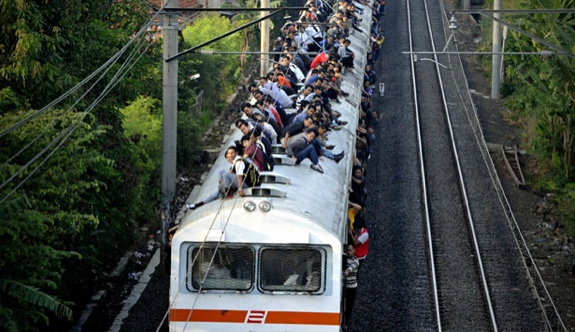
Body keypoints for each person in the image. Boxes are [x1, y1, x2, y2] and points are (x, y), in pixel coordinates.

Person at [343, 243, 359, 329]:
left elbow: (351, 267)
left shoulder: (356, 261)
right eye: (347, 250)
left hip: (351, 287)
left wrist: (347, 271)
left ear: (354, 250)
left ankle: (346, 323)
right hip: (345, 286)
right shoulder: (345, 258)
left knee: (349, 305)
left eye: (350, 250)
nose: (349, 252)